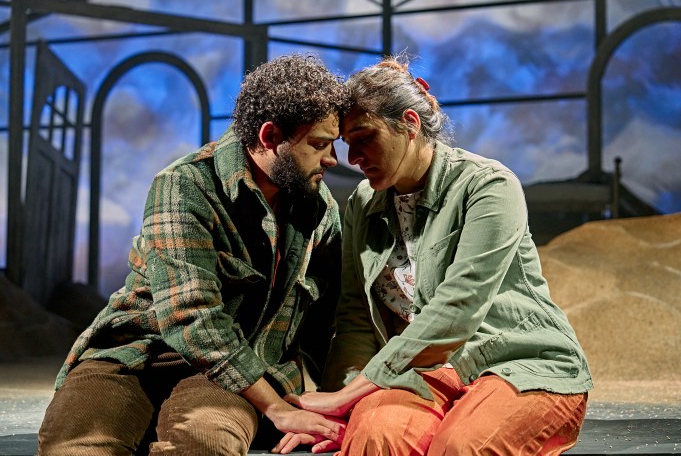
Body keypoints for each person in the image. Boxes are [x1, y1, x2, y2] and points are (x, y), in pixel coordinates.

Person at [276, 56, 593, 455]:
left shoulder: (489, 186)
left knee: (460, 447)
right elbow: (356, 318)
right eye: (347, 145)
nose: (352, 158)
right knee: (375, 437)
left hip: (517, 363)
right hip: (420, 371)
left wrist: (348, 396)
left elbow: (458, 307)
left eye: (364, 138)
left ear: (409, 124)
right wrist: (337, 410)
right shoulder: (362, 203)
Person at [38, 54, 350, 455]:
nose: (332, 159)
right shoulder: (184, 185)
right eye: (319, 144)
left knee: (206, 444)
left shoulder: (318, 209)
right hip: (137, 355)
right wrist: (276, 409)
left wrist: (335, 410)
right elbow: (191, 317)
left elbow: (328, 324)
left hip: (235, 374)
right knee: (77, 446)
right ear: (270, 136)